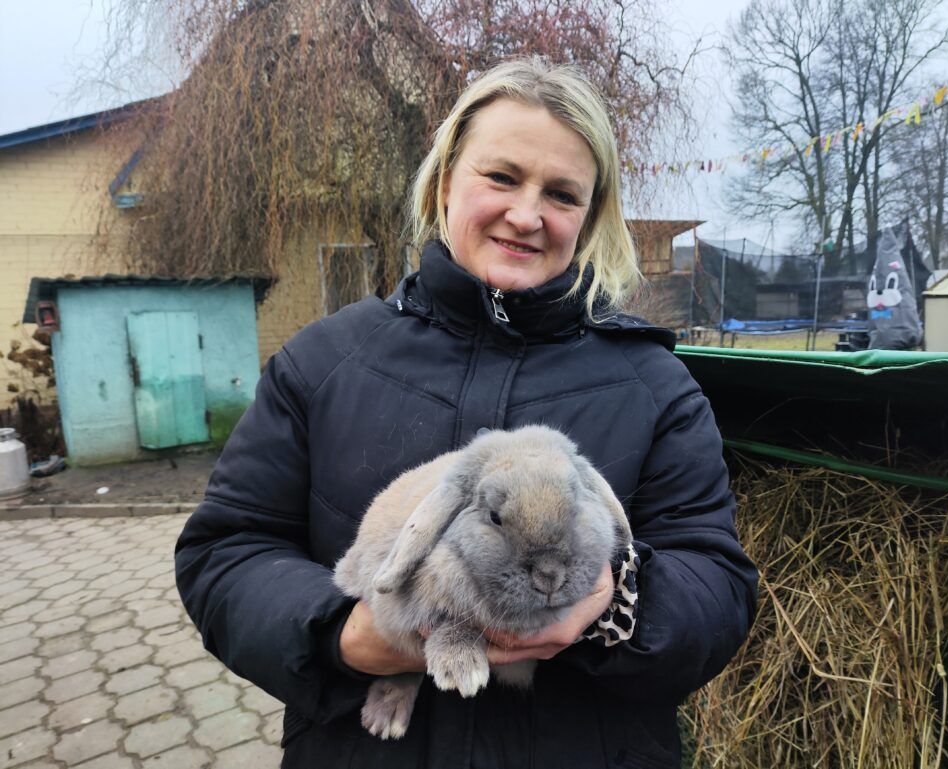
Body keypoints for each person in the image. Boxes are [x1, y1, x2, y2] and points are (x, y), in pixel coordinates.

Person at [176, 57, 758, 769]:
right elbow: (225, 553)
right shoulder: (325, 363)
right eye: (502, 176)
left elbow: (720, 586)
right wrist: (348, 634)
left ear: (591, 215)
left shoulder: (654, 385)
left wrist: (617, 601)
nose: (527, 214)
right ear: (447, 176)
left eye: (563, 193)